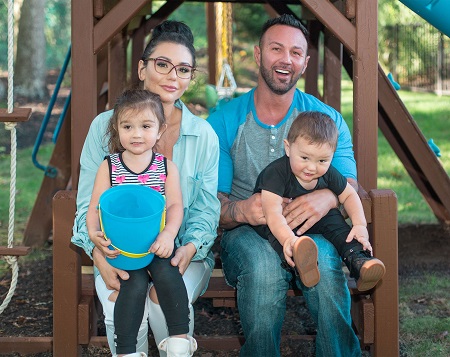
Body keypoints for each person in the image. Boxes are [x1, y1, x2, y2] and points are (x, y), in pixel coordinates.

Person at [207, 14, 363, 357]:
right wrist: (242, 210)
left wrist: (326, 198)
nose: (285, 59)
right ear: (258, 53)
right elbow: (212, 203)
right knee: (262, 270)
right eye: (276, 48)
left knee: (322, 261)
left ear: (305, 62)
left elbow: (348, 181)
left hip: (314, 230)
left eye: (295, 52)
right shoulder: (224, 120)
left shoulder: (327, 120)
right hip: (248, 234)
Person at [72, 20, 220, 357]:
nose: (172, 76)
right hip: (118, 250)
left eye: (183, 69)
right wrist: (97, 252)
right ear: (142, 68)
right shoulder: (104, 127)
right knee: (119, 298)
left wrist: (190, 248)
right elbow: (87, 205)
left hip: (180, 250)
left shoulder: (204, 137)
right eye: (162, 64)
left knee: (163, 296)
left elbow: (205, 210)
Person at [86, 88, 193, 357]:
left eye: (145, 126)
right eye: (127, 126)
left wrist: (169, 234)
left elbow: (175, 205)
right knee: (130, 287)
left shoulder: (165, 167)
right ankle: (126, 351)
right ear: (117, 129)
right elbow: (95, 207)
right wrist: (94, 234)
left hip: (156, 242)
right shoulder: (109, 166)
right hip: (122, 247)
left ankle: (179, 338)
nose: (136, 134)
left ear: (159, 130)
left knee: (169, 274)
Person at [253, 111, 385, 291]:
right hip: (281, 222)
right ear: (288, 148)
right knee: (276, 233)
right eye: (305, 158)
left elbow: (349, 195)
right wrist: (289, 239)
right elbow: (272, 215)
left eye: (322, 160)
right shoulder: (275, 173)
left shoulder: (329, 172)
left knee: (336, 221)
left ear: (331, 156)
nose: (312, 167)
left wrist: (359, 225)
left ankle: (360, 261)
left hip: (313, 219)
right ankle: (300, 263)